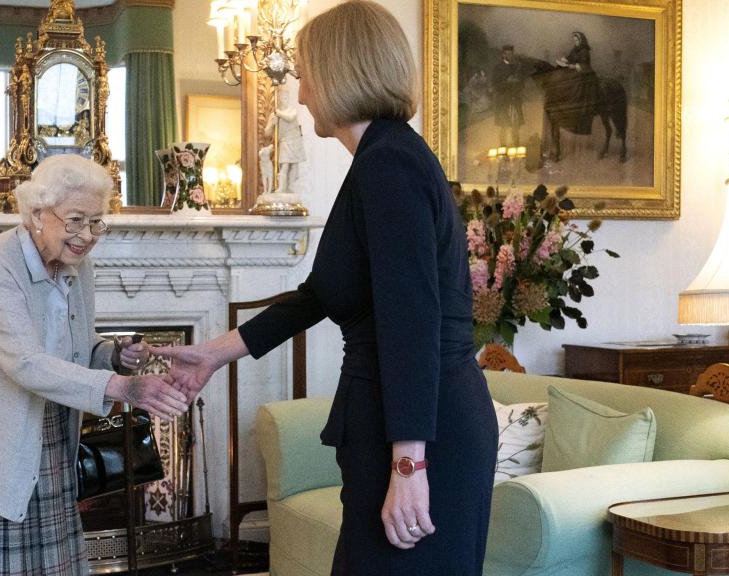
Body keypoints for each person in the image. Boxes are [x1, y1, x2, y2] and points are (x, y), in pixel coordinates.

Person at [153, 2, 497, 574]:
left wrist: (410, 466)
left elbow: (411, 322)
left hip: (421, 435)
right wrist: (213, 354)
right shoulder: (379, 159)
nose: (303, 91)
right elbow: (321, 294)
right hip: (398, 428)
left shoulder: (389, 164)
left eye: (306, 73)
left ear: (341, 73)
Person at [0, 154, 188, 576]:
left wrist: (113, 355)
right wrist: (122, 388)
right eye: (75, 220)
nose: (86, 235)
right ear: (37, 213)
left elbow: (76, 346)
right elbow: (26, 362)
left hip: (50, 434)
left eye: (96, 222)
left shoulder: (77, 267)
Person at [553, 31, 600, 135]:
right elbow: (570, 57)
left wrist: (573, 66)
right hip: (575, 72)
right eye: (574, 40)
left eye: (576, 40)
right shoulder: (575, 49)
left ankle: (576, 107)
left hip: (585, 75)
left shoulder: (584, 51)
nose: (575, 42)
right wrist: (563, 60)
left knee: (576, 87)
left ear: (581, 40)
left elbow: (585, 64)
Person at [492, 45, 525, 147]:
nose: (509, 55)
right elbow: (495, 85)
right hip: (503, 102)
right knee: (504, 127)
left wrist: (518, 82)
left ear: (513, 54)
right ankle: (503, 149)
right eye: (506, 53)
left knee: (515, 127)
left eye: (510, 53)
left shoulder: (517, 67)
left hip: (514, 101)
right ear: (503, 55)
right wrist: (507, 82)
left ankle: (516, 148)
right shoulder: (497, 68)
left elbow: (522, 85)